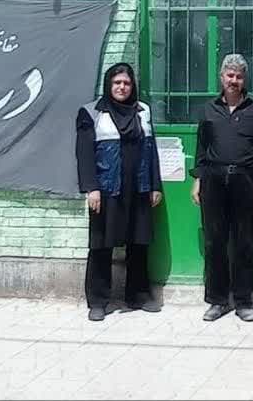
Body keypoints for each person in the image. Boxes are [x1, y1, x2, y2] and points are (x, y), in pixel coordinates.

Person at [190, 53, 253, 323]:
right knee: (215, 242)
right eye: (230, 75)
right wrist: (198, 178)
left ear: (244, 79)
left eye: (238, 76)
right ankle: (217, 301)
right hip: (213, 181)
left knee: (244, 242)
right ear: (221, 77)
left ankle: (243, 302)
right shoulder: (208, 109)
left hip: (246, 181)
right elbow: (201, 148)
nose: (234, 80)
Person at [76, 62, 163, 322]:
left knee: (139, 242)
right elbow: (84, 155)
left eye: (126, 83)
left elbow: (151, 150)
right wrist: (91, 188)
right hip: (107, 189)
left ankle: (138, 295)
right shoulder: (91, 112)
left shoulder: (143, 111)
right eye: (117, 83)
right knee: (101, 245)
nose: (122, 87)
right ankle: (98, 301)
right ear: (108, 85)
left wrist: (155, 185)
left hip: (138, 187)